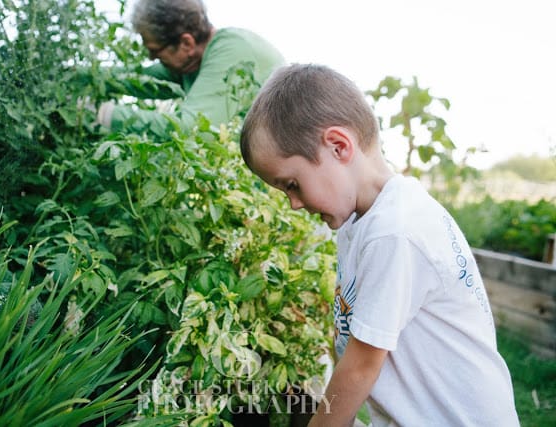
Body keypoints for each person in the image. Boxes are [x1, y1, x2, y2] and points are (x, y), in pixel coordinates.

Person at [240, 64, 520, 427]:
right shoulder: (361, 223)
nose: (293, 203)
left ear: (338, 146)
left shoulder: (396, 231)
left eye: (291, 184)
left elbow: (360, 367)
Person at [96, 0, 285, 135]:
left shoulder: (231, 52)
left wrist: (105, 114)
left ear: (186, 43)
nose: (152, 58)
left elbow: (190, 129)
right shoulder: (193, 61)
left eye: (155, 50)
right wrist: (84, 76)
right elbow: (141, 80)